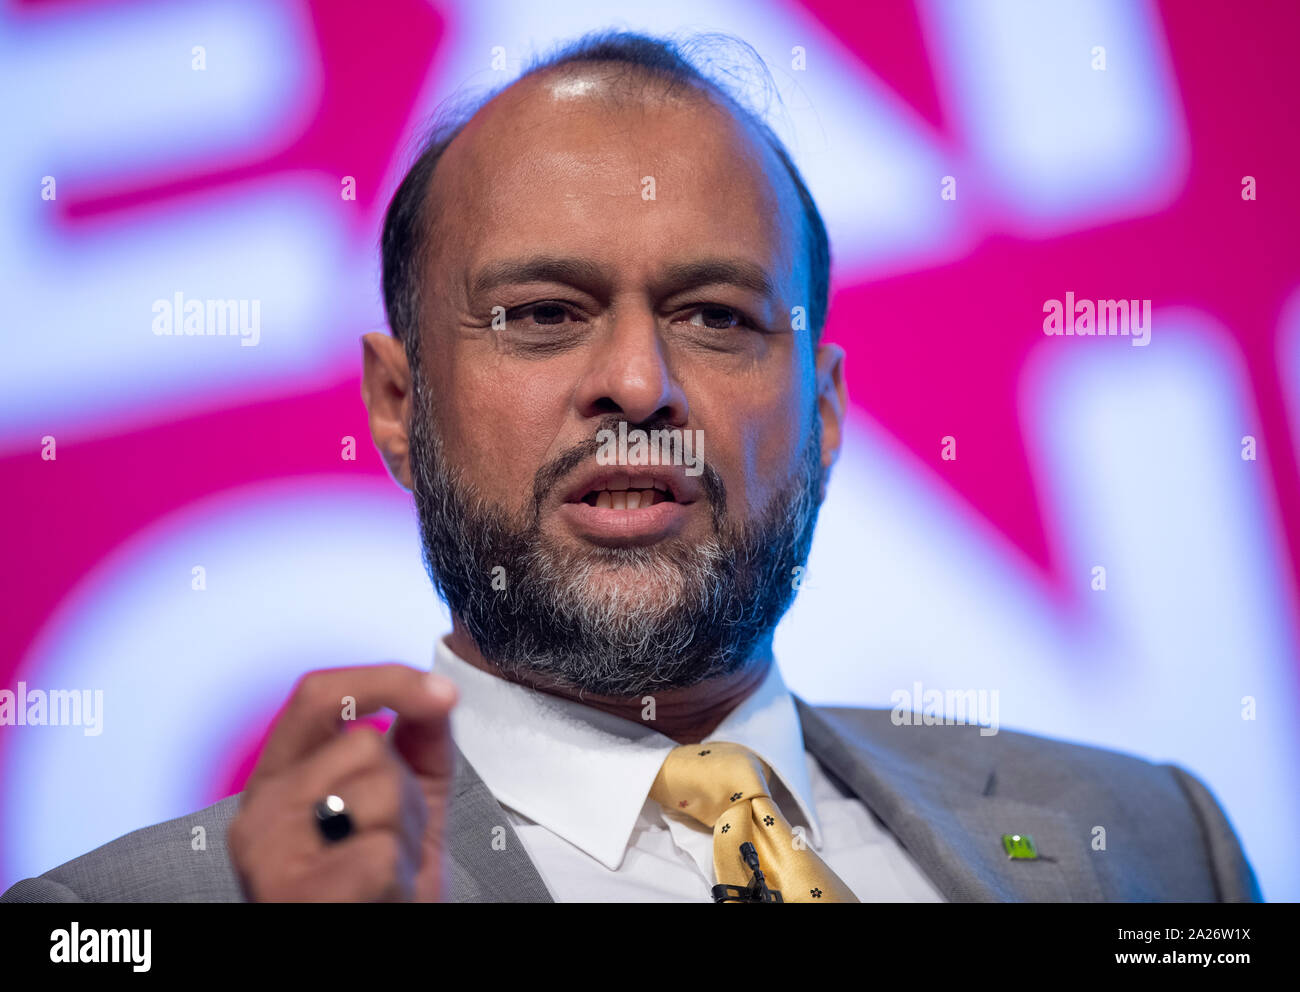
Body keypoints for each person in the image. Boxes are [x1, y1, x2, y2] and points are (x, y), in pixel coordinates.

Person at [1, 30, 1261, 904]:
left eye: (716, 314)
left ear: (822, 413)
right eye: (543, 313)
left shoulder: (1154, 843)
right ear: (397, 403)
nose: (639, 383)